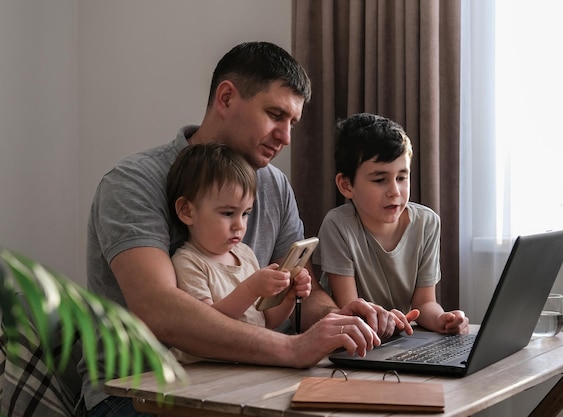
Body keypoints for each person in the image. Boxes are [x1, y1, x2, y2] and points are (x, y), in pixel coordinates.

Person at [81, 42, 415, 416]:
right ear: (226, 98)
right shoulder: (133, 183)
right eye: (275, 114)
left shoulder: (274, 186)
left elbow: (304, 293)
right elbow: (159, 310)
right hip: (135, 393)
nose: (286, 137)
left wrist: (338, 318)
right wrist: (292, 349)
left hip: (251, 380)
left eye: (292, 123)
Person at [317, 113, 469, 339]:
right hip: (358, 337)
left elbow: (425, 303)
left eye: (401, 177)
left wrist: (442, 320)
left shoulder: (427, 222)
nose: (395, 192)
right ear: (346, 185)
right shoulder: (337, 225)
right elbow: (350, 309)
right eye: (380, 180)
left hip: (399, 337)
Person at [166, 143, 312, 364]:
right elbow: (208, 327)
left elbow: (267, 321)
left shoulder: (244, 254)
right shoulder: (188, 262)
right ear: (187, 211)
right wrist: (252, 288)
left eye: (245, 214)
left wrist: (289, 295)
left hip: (245, 366)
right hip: (202, 375)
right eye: (227, 213)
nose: (239, 226)